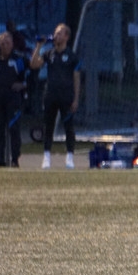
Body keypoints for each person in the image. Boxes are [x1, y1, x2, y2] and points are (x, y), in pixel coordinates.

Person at [30, 23, 81, 169]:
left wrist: (76, 99)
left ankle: (70, 157)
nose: (56, 36)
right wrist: (39, 46)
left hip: (66, 96)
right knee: (48, 126)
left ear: (66, 37)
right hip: (50, 95)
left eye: (59, 33)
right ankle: (46, 156)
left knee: (68, 127)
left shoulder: (72, 57)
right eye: (55, 33)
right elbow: (34, 64)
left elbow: (76, 79)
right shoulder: (49, 53)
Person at [0, 32, 27, 168]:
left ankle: (15, 158)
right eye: (2, 43)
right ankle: (0, 158)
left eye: (8, 43)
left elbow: (28, 74)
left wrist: (23, 84)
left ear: (12, 44)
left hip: (13, 98)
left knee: (14, 128)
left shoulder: (18, 59)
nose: (5, 46)